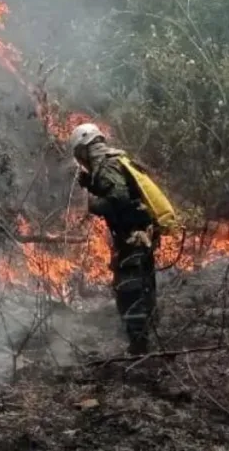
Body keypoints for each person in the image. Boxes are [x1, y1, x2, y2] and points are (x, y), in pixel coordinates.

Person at [68, 122, 159, 356]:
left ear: (85, 149)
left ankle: (140, 347)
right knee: (143, 286)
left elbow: (118, 198)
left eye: (80, 154)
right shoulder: (114, 160)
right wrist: (91, 185)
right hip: (141, 235)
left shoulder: (106, 165)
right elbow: (119, 191)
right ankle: (148, 338)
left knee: (129, 290)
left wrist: (93, 204)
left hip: (134, 238)